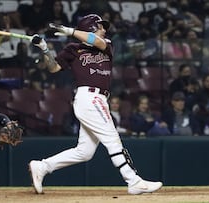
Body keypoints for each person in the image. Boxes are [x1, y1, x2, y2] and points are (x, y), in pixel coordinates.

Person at [28, 14, 162, 195]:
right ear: (90, 28)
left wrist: (69, 31)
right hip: (89, 98)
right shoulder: (73, 48)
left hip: (99, 99)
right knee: (113, 139)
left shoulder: (106, 45)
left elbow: (96, 41)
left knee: (85, 151)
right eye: (100, 26)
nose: (104, 29)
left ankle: (42, 166)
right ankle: (133, 180)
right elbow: (54, 68)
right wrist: (44, 48)